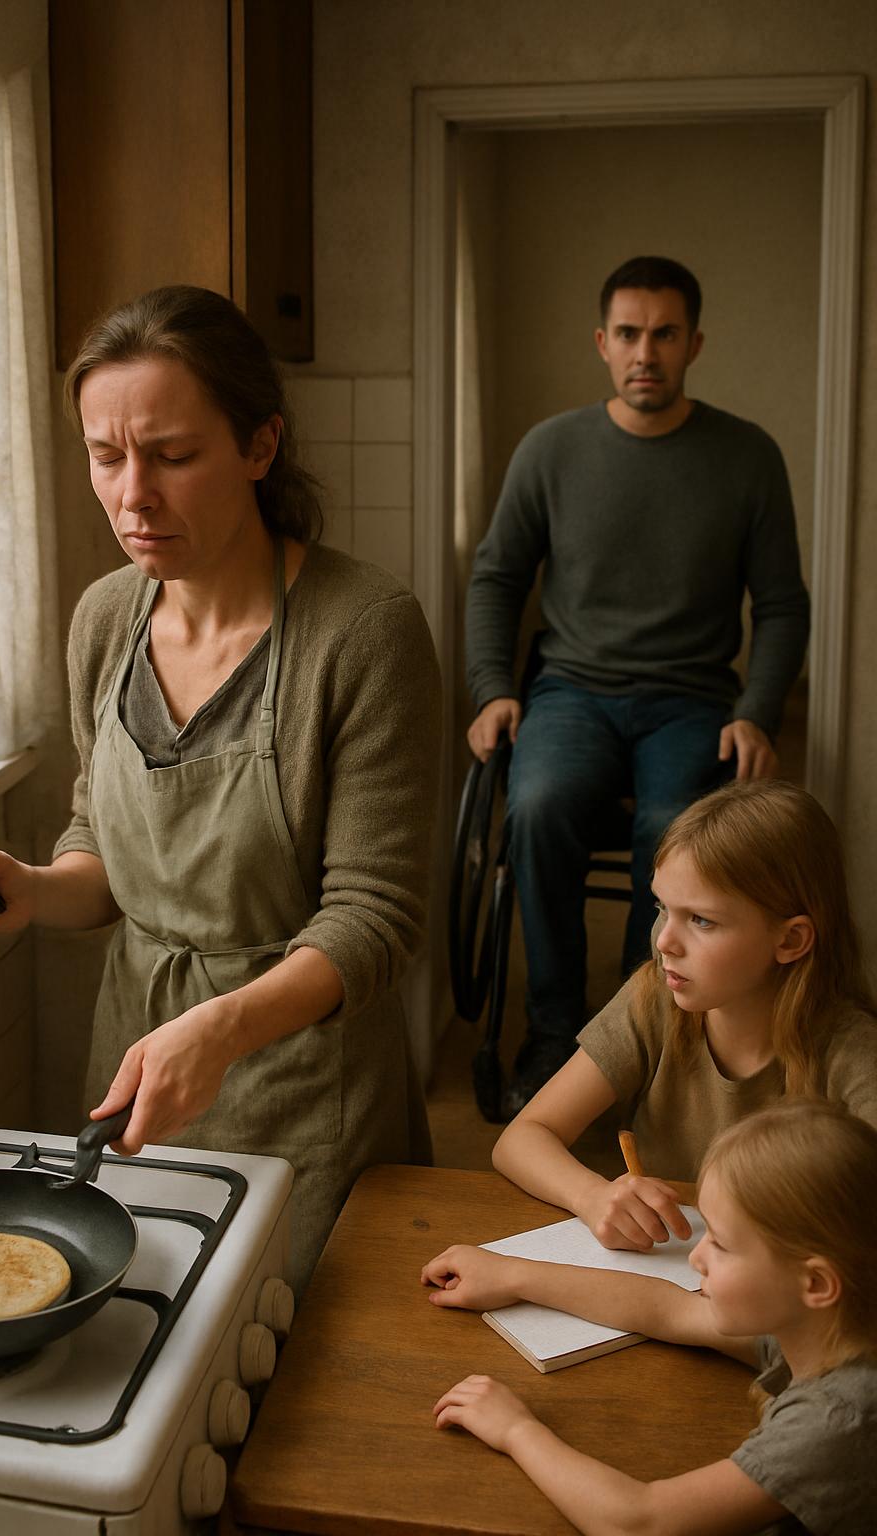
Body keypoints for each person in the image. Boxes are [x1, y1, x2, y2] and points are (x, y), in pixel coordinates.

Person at [0, 285, 440, 1295]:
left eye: (171, 454)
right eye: (106, 457)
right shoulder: (106, 620)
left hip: (303, 1077)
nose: (131, 497)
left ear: (259, 446)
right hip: (139, 1058)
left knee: (302, 1377)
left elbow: (375, 918)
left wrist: (226, 1028)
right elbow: (103, 853)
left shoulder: (363, 632)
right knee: (155, 1334)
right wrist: (31, 887)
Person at [465, 255, 810, 1113]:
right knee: (539, 806)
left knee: (677, 841)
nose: (644, 351)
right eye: (627, 333)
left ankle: (637, 1034)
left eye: (663, 334)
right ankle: (553, 1032)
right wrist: (489, 687)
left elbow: (781, 604)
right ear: (602, 342)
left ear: (694, 343)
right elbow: (497, 577)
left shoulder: (747, 455)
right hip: (570, 692)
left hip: (691, 699)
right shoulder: (551, 448)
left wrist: (757, 713)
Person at [423, 1100, 877, 1536]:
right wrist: (513, 1274)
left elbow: (642, 1521)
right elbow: (669, 1308)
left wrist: (516, 1429)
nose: (696, 1259)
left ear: (815, 1283)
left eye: (720, 1243)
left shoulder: (839, 1421)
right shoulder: (827, 1323)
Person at [492, 779, 877, 1252]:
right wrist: (592, 1196)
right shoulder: (655, 998)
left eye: (701, 920)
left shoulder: (851, 1049)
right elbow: (523, 1137)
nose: (663, 942)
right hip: (666, 1271)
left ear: (791, 940)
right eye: (661, 908)